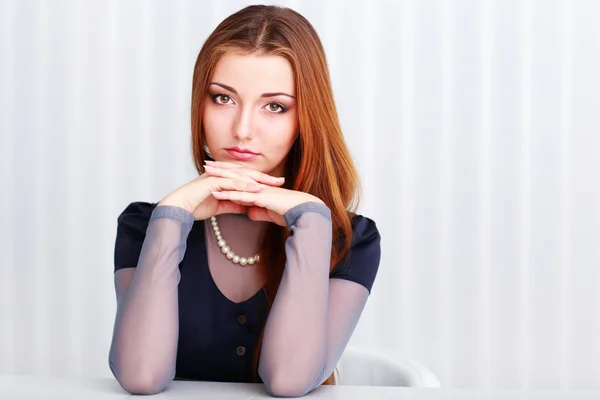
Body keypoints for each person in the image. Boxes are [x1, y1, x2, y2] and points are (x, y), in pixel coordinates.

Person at [108, 4, 381, 398]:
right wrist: (172, 216)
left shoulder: (348, 238)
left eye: (275, 106)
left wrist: (310, 220)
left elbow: (288, 380)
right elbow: (140, 375)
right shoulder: (144, 225)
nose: (242, 130)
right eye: (222, 99)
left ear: (307, 117)